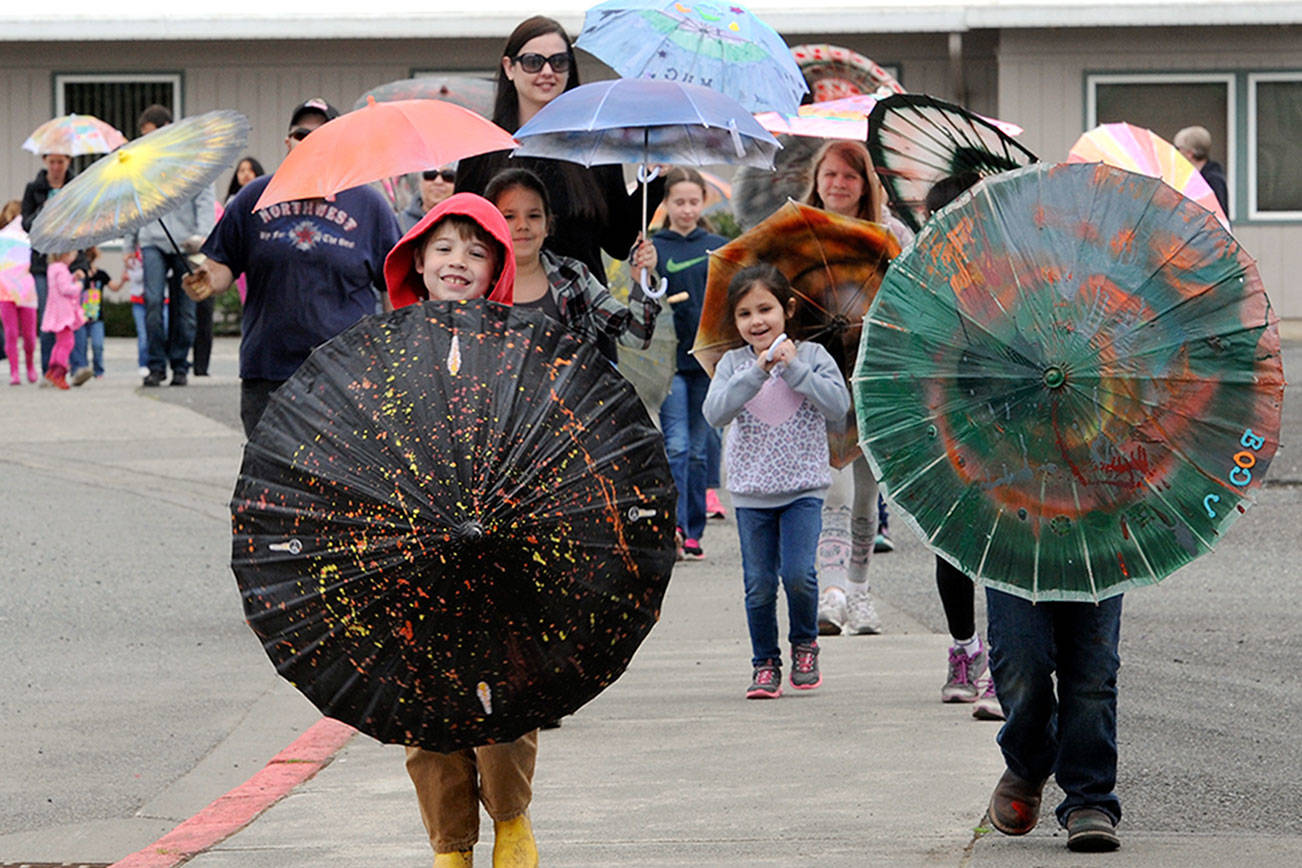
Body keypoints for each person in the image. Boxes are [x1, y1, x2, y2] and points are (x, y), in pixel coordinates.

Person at [383, 192, 537, 868]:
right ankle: (449, 844)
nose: (458, 262)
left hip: (499, 545)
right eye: (444, 248)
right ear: (417, 259)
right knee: (427, 703)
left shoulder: (519, 345)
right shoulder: (381, 348)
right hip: (416, 549)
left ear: (497, 267)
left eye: (476, 252)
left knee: (502, 694)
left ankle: (510, 820)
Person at [183, 98, 400, 437]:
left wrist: (393, 358)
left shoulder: (369, 206)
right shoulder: (253, 198)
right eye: (302, 133)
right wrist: (206, 278)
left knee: (338, 483)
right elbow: (223, 265)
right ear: (288, 142)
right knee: (270, 479)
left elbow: (393, 286)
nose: (311, 141)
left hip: (346, 374)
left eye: (323, 132)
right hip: (268, 371)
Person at [456, 15, 663, 360]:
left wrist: (653, 182)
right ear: (509, 67)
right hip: (501, 330)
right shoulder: (483, 149)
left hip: (584, 328)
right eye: (533, 61)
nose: (547, 72)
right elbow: (466, 240)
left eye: (559, 61)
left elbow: (617, 241)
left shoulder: (594, 146)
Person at [703, 264, 851, 699]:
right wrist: (756, 372)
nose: (757, 321)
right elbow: (715, 414)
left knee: (799, 574)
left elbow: (838, 406)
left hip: (803, 486)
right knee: (759, 584)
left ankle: (805, 641)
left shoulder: (811, 357)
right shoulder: (733, 364)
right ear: (735, 322)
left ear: (786, 309)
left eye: (765, 309)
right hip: (750, 493)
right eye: (745, 314)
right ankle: (764, 662)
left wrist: (794, 371)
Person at [802, 140, 912, 636]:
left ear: (865, 185)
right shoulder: (797, 231)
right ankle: (833, 593)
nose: (838, 185)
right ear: (817, 179)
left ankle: (861, 591)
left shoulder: (890, 235)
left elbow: (910, 298)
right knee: (832, 492)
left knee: (866, 495)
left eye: (850, 176)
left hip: (872, 376)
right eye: (830, 175)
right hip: (817, 376)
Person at [918, 173, 1004, 721]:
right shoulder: (921, 281)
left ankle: (1004, 663)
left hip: (1006, 433)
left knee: (1001, 547)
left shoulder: (1013, 273)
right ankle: (964, 647)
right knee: (950, 544)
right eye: (936, 221)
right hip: (945, 428)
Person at [984, 591, 1124, 852]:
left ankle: (1089, 796)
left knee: (1093, 672)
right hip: (1016, 558)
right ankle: (1030, 760)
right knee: (1020, 662)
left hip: (1095, 556)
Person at [485, 168, 659, 347]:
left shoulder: (574, 276)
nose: (523, 225)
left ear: (547, 225)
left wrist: (641, 281)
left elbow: (637, 336)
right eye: (509, 217)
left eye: (534, 216)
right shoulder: (479, 282)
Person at [651, 167, 727, 560]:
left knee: (699, 450)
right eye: (678, 202)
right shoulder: (652, 247)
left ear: (703, 202)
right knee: (676, 446)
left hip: (708, 361)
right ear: (665, 204)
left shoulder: (719, 246)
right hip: (668, 362)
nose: (686, 209)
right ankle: (674, 527)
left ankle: (693, 529)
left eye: (693, 201)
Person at [127, 104, 216, 387]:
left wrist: (202, 235)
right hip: (153, 240)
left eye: (152, 135)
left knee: (186, 309)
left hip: (185, 243)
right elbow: (134, 205)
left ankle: (179, 364)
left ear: (167, 129)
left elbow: (204, 199)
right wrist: (130, 242)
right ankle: (155, 365)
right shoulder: (143, 167)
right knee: (153, 301)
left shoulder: (190, 161)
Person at [21, 150, 86, 373]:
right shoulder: (34, 188)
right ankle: (51, 368)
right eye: (52, 162)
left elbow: (85, 222)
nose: (57, 167)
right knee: (49, 314)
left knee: (74, 311)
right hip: (43, 262)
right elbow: (26, 224)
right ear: (45, 162)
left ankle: (78, 366)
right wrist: (44, 209)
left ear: (68, 161)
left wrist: (83, 264)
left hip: (71, 258)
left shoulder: (76, 187)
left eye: (61, 162)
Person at [1, 200, 39, 385]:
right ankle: (14, 371)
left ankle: (30, 365)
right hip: (5, 292)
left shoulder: (29, 237)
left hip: (26, 291)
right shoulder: (2, 238)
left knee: (30, 336)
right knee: (11, 332)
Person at [38, 249, 86, 390]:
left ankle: (51, 371)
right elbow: (66, 289)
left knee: (59, 343)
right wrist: (78, 285)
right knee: (67, 343)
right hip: (63, 313)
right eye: (73, 254)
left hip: (57, 311)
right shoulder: (61, 269)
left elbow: (60, 284)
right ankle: (59, 372)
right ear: (64, 254)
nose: (75, 256)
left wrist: (72, 277)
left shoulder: (54, 268)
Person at [69, 246, 118, 381]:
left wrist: (124, 278)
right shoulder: (77, 275)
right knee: (81, 344)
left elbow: (114, 287)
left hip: (96, 316)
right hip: (81, 316)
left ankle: (98, 370)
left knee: (98, 345)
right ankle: (81, 368)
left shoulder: (100, 274)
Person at [1173, 125, 1229, 215]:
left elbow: (1218, 215)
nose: (1176, 153)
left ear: (1189, 153)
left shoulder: (1213, 180)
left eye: (1178, 148)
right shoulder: (1192, 177)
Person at [400, 163, 459, 234]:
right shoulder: (400, 223)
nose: (438, 181)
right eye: (430, 174)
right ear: (420, 181)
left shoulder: (464, 224)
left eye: (448, 176)